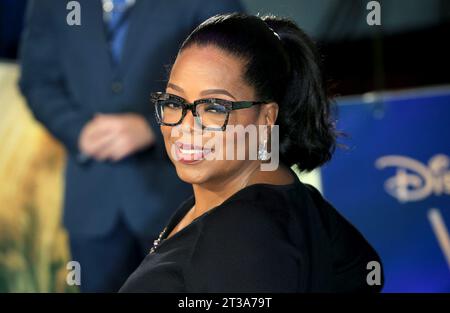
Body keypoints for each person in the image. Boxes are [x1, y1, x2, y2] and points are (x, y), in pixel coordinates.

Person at [119, 12, 384, 292]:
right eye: (174, 101)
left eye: (214, 108)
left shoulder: (243, 234)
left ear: (267, 117)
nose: (184, 127)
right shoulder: (283, 198)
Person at [18, 0, 245, 292]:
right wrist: (79, 131)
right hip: (91, 202)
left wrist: (156, 127)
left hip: (185, 200)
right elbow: (38, 81)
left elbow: (236, 78)